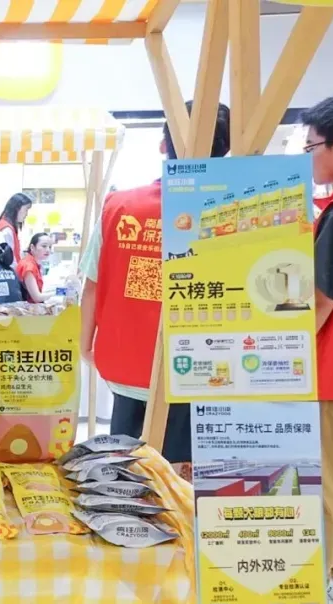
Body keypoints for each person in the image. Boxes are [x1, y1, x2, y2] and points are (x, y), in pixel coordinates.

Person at [79, 101, 231, 465]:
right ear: (224, 152)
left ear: (163, 144)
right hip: (204, 371)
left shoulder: (119, 206)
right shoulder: (233, 210)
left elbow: (93, 284)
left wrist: (87, 345)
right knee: (181, 478)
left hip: (127, 364)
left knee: (125, 476)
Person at [301, 92, 333, 604]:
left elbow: (318, 300)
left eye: (312, 146)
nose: (309, 157)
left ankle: (315, 586)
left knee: (331, 480)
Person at [0, 193, 33, 261]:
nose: (27, 214)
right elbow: (10, 260)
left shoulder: (5, 225)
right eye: (26, 209)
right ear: (17, 208)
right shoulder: (6, 229)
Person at [17, 232, 52, 303]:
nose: (48, 250)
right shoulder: (29, 266)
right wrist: (57, 293)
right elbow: (37, 297)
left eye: (50, 247)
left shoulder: (33, 262)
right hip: (28, 308)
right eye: (44, 246)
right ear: (32, 247)